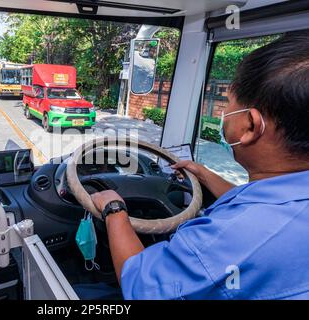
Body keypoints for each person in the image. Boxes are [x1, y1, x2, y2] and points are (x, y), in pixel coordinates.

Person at [90, 30, 309, 299]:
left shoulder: (225, 240)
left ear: (250, 125)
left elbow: (139, 283)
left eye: (228, 104)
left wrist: (114, 210)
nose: (224, 114)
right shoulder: (289, 200)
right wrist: (204, 175)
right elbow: (268, 206)